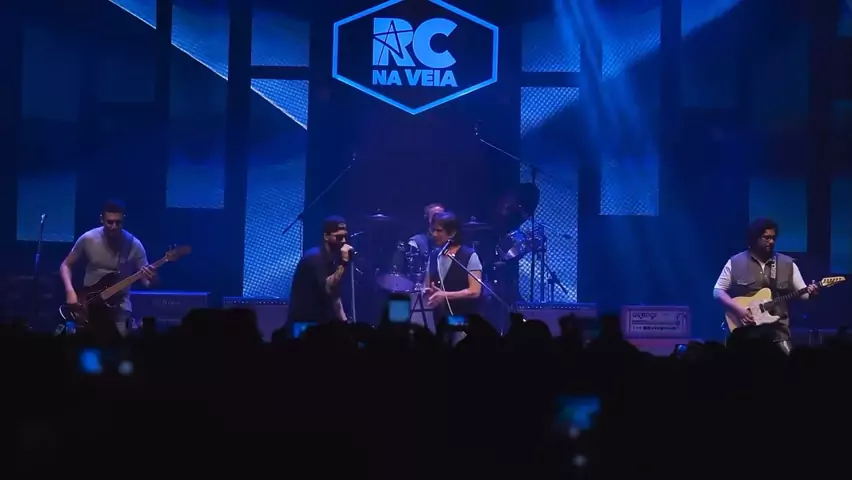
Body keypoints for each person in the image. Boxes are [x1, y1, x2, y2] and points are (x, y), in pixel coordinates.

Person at [712, 217, 817, 353]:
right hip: (744, 332)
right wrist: (739, 310)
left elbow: (803, 294)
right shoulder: (735, 262)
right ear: (755, 238)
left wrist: (812, 293)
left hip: (777, 332)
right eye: (766, 238)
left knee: (788, 362)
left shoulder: (787, 264)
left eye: (773, 238)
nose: (771, 241)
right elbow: (718, 291)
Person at [59, 200, 155, 338]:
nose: (114, 226)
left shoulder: (134, 245)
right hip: (88, 305)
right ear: (101, 219)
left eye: (118, 222)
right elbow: (65, 265)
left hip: (119, 307)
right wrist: (70, 291)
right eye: (109, 222)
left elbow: (148, 283)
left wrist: (153, 277)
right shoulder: (88, 239)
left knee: (119, 344)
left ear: (124, 220)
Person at [288, 216, 354, 326]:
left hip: (321, 322)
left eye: (345, 237)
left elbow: (335, 296)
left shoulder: (332, 259)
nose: (343, 241)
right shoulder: (315, 258)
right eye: (339, 237)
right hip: (306, 323)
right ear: (326, 236)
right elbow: (328, 287)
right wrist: (344, 263)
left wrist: (345, 322)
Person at [424, 212, 483, 317]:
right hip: (439, 318)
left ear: (452, 233)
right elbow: (427, 285)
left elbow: (475, 291)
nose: (434, 234)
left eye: (439, 230)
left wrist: (445, 295)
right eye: (433, 230)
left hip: (463, 318)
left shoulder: (469, 255)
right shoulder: (433, 256)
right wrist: (428, 292)